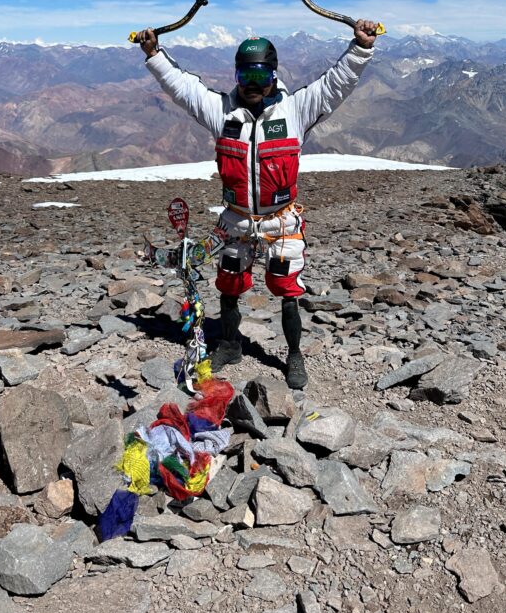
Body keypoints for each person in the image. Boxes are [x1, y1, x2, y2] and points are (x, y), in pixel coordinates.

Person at [134, 22, 381, 389]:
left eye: (260, 74)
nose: (253, 83)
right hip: (235, 220)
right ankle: (231, 345)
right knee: (229, 284)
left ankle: (293, 355)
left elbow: (334, 85)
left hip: (281, 221)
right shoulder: (222, 112)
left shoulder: (295, 110)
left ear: (273, 74)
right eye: (245, 74)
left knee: (286, 288)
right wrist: (154, 55)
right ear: (235, 75)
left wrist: (360, 49)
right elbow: (183, 89)